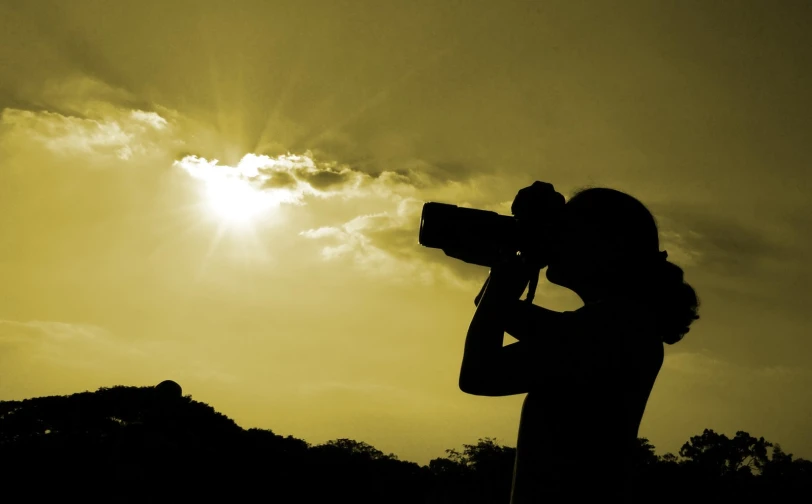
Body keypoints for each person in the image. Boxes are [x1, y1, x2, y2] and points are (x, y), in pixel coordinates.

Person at [458, 182, 700, 502]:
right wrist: (512, 257)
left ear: (606, 247)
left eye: (565, 231)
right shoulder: (617, 325)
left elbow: (480, 374)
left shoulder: (612, 330)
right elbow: (494, 308)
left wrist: (509, 268)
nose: (553, 240)